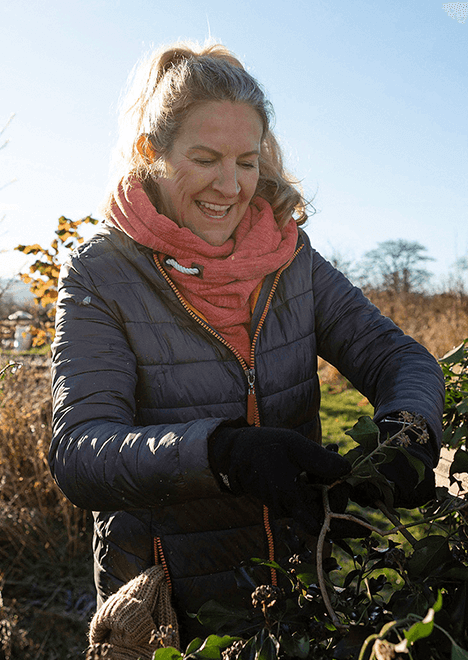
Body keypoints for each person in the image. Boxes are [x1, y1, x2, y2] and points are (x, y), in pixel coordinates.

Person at [49, 42, 445, 645]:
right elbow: (81, 452)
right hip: (167, 615)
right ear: (150, 152)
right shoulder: (101, 274)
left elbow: (397, 357)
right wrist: (224, 455)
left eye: (246, 160)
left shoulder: (291, 260)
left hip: (296, 594)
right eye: (205, 158)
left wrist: (410, 429)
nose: (230, 186)